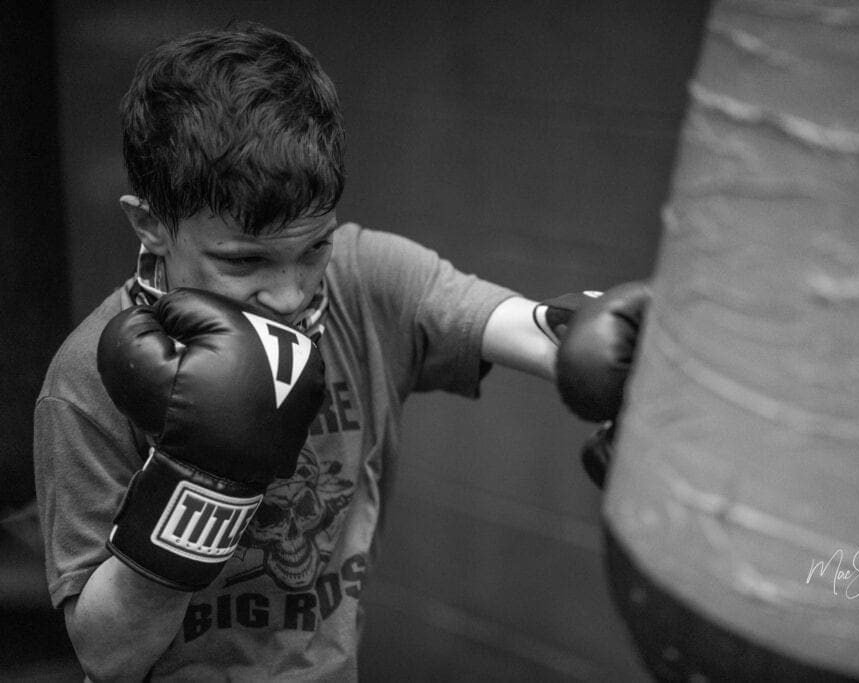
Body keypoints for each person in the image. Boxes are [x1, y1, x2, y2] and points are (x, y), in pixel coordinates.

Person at [33, 22, 645, 680]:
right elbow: (107, 654)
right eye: (245, 261)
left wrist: (636, 367)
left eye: (313, 248)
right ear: (151, 224)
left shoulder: (363, 279)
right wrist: (201, 481)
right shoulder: (88, 376)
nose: (291, 292)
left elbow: (532, 327)